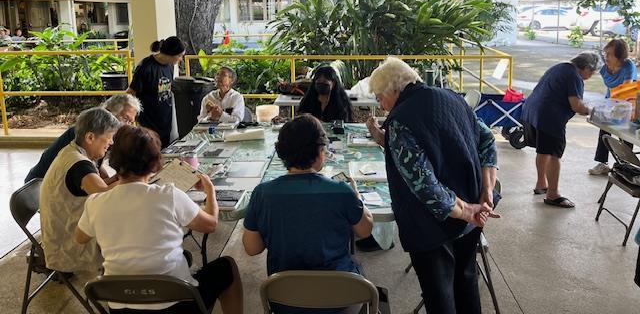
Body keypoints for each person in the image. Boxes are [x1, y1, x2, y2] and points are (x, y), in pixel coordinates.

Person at [366, 57, 500, 314]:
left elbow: (425, 186)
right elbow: (486, 140)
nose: (380, 105)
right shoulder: (452, 98)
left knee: (440, 297)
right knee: (466, 283)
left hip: (432, 227)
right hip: (471, 213)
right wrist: (487, 189)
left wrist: (466, 210)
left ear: (394, 89)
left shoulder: (401, 120)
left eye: (380, 97)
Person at [75, 125, 243, 313]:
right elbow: (210, 224)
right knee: (227, 267)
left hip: (121, 306)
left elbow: (80, 238)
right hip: (177, 304)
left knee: (185, 259)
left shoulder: (95, 202)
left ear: (113, 161)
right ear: (154, 163)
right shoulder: (169, 195)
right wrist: (210, 191)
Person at [243, 114, 373, 312]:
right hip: (338, 296)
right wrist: (357, 197)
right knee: (358, 268)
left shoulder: (262, 193)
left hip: (284, 298)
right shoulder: (341, 191)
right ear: (320, 151)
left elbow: (252, 248)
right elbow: (365, 230)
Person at [39, 107, 120, 273]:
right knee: (131, 231)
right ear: (90, 137)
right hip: (68, 242)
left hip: (70, 228)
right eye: (109, 137)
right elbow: (104, 196)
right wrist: (135, 178)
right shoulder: (79, 165)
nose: (111, 143)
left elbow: (101, 186)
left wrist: (119, 178)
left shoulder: (73, 151)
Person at [522, 52, 599, 208]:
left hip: (532, 111)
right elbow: (576, 106)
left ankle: (541, 184)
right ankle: (553, 194)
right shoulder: (574, 76)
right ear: (586, 67)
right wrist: (593, 111)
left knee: (544, 150)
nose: (590, 76)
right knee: (554, 155)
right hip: (549, 116)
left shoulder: (560, 67)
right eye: (591, 72)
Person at [24, 94, 141, 183]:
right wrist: (119, 180)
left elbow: (96, 166)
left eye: (131, 122)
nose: (128, 127)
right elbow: (95, 185)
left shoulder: (100, 133)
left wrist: (111, 179)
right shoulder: (85, 135)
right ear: (109, 113)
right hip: (39, 187)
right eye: (125, 119)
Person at [589, 39, 637, 175]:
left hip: (628, 103)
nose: (606, 57)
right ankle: (602, 163)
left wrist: (615, 109)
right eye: (605, 53)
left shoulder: (628, 66)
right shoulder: (604, 67)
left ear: (619, 56)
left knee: (625, 134)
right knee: (604, 130)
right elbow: (587, 70)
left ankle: (624, 166)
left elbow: (626, 90)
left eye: (609, 54)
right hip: (610, 101)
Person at [128, 36, 186, 147]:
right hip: (149, 122)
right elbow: (131, 92)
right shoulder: (145, 67)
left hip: (165, 120)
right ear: (170, 53)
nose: (180, 60)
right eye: (179, 56)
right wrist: (133, 117)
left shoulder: (170, 65)